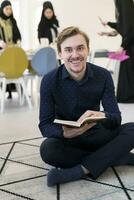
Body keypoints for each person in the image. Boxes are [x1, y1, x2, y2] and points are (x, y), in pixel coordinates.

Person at [39, 26, 134, 187]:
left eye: (80, 48)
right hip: (70, 140)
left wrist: (101, 115)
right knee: (48, 149)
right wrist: (65, 134)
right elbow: (45, 125)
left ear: (88, 50)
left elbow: (115, 119)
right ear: (60, 54)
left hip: (98, 135)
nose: (75, 55)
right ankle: (116, 157)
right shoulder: (49, 81)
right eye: (68, 50)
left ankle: (79, 171)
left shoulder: (103, 76)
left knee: (132, 129)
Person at [98, 0, 134, 103]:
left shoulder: (124, 3)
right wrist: (108, 24)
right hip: (128, 44)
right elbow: (123, 26)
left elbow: (130, 29)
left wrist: (123, 46)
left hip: (130, 45)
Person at [0, 0, 21, 99]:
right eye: (7, 9)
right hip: (2, 50)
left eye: (10, 9)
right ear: (2, 9)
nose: (9, 11)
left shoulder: (12, 20)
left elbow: (17, 33)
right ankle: (7, 91)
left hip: (12, 49)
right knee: (5, 69)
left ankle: (19, 90)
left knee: (16, 67)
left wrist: (18, 41)